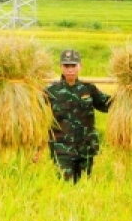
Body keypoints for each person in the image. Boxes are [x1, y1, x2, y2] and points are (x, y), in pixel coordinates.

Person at [36, 48, 112, 183]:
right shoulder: (50, 91)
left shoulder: (89, 89)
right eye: (66, 66)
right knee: (66, 184)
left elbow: (109, 104)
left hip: (86, 147)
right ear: (61, 67)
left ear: (80, 66)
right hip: (62, 148)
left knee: (84, 184)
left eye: (73, 65)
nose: (70, 69)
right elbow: (36, 115)